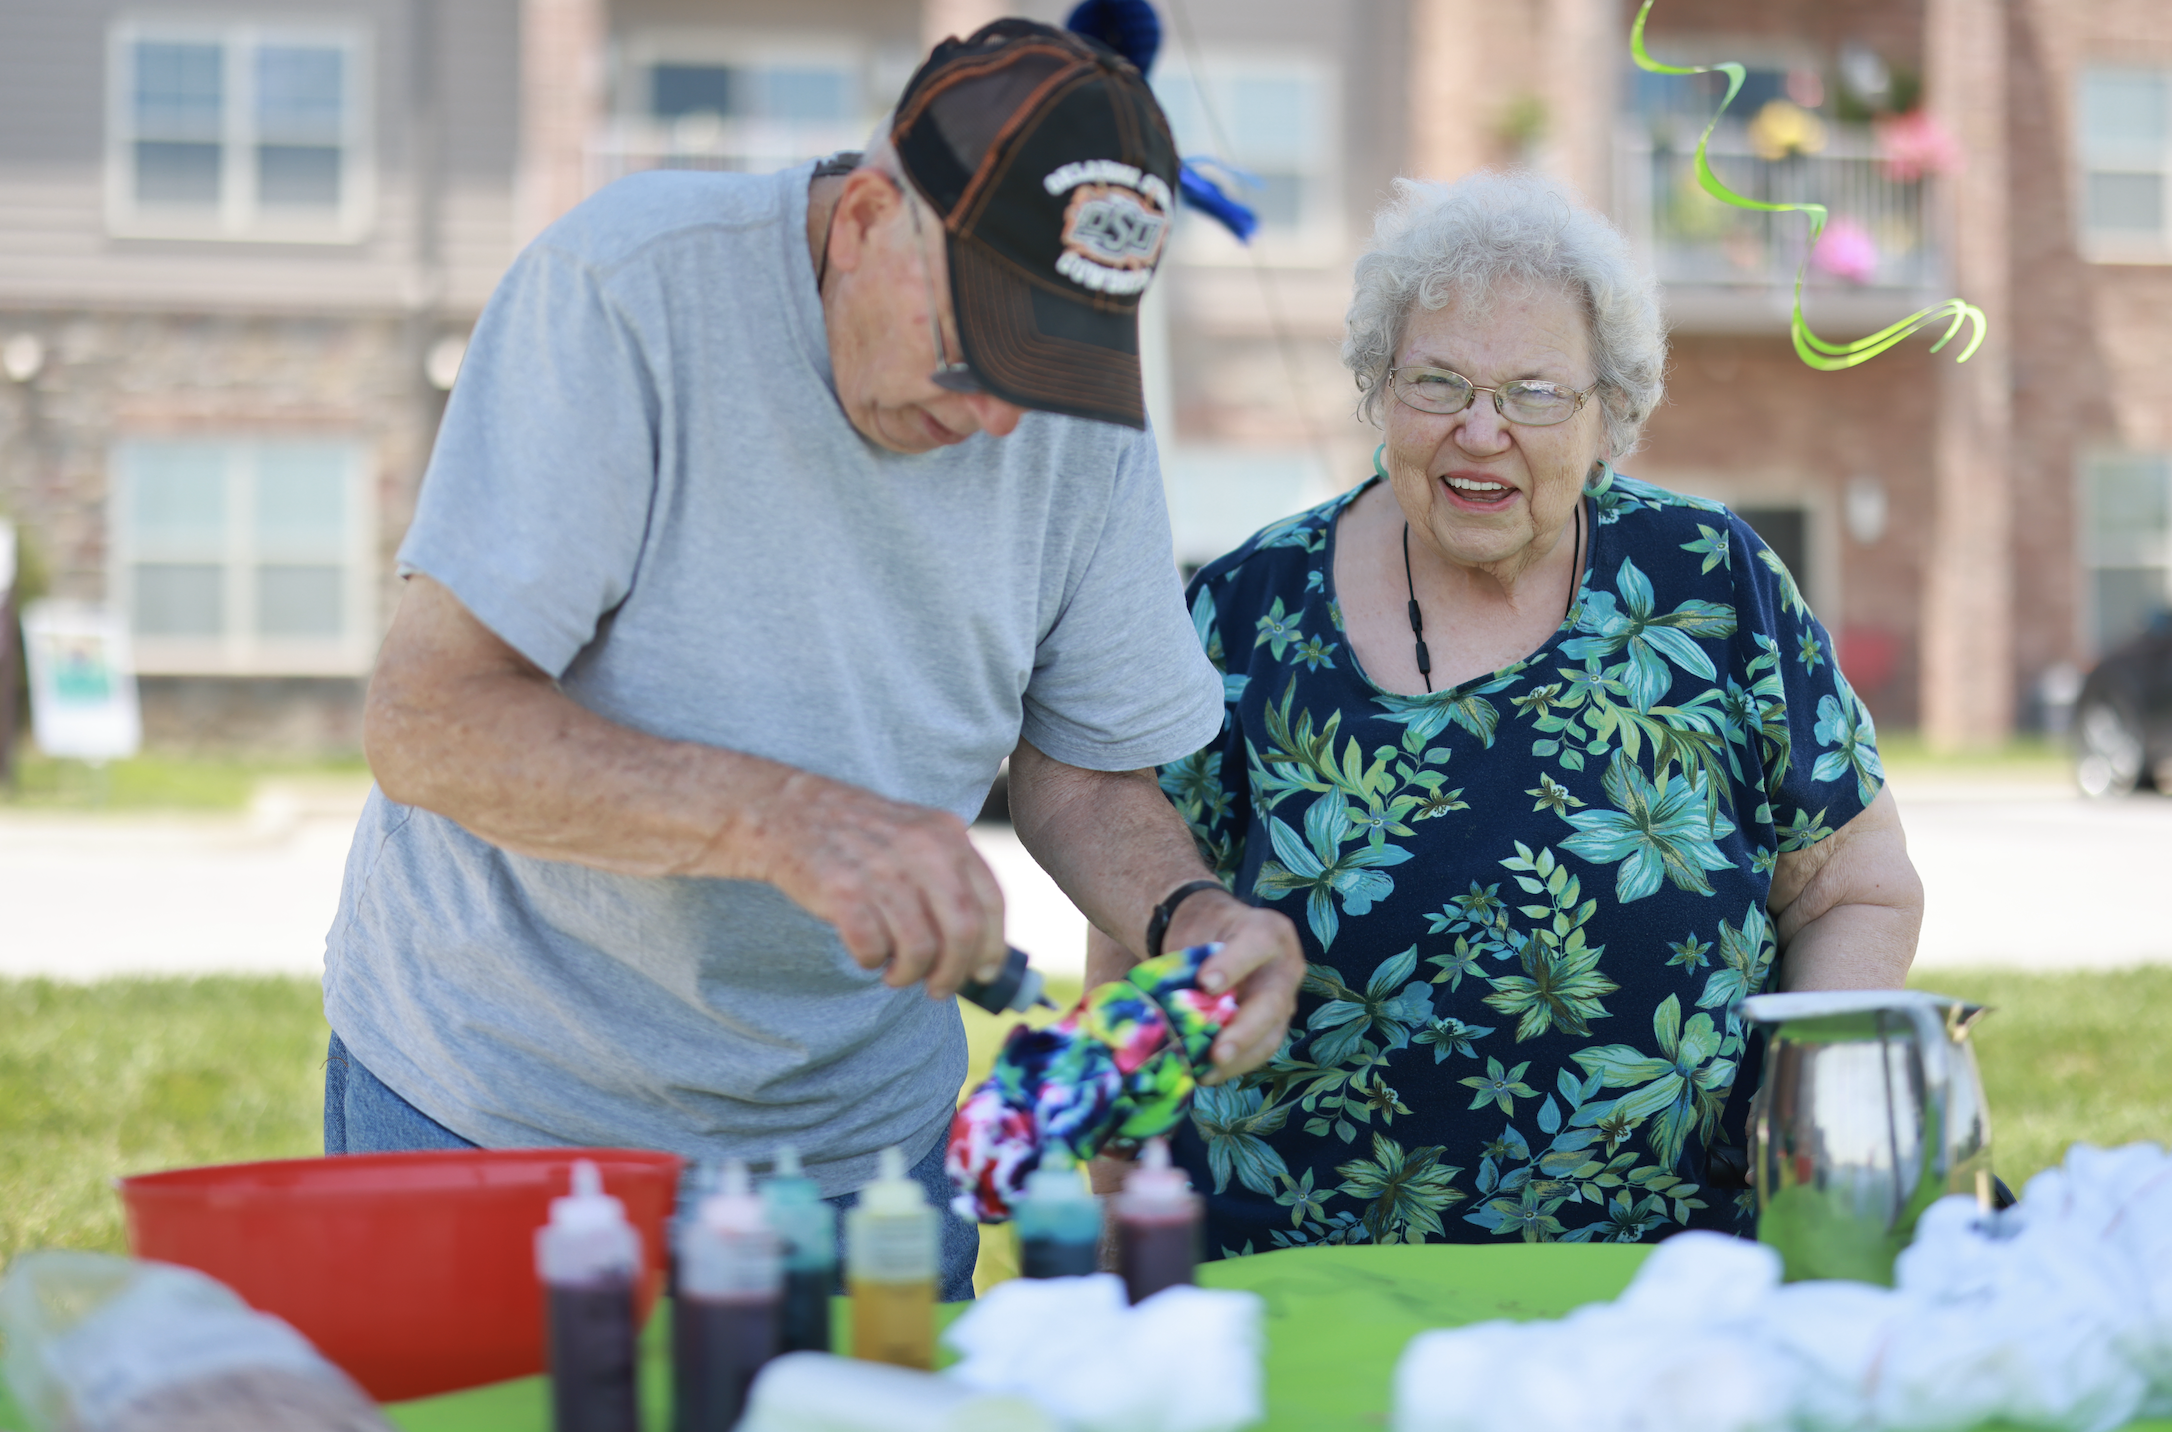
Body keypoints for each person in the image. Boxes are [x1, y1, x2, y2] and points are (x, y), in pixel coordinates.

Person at [321, 19, 1301, 1301]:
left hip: (861, 1151)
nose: (1002, 413)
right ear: (867, 219)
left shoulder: (1074, 423)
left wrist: (1188, 913)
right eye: (977, 340)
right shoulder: (626, 290)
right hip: (501, 1105)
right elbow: (428, 719)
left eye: (1052, 360)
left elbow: (1087, 775)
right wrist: (784, 821)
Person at [1100, 170, 1923, 1253]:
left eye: (1534, 393)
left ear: (1607, 414)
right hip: (1296, 1271)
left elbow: (1856, 890)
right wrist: (1115, 1195)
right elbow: (1141, 922)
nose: (1480, 430)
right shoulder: (1246, 610)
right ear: (1379, 390)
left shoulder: (1711, 581)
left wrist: (1810, 1127)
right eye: (1437, 382)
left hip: (1674, 1274)